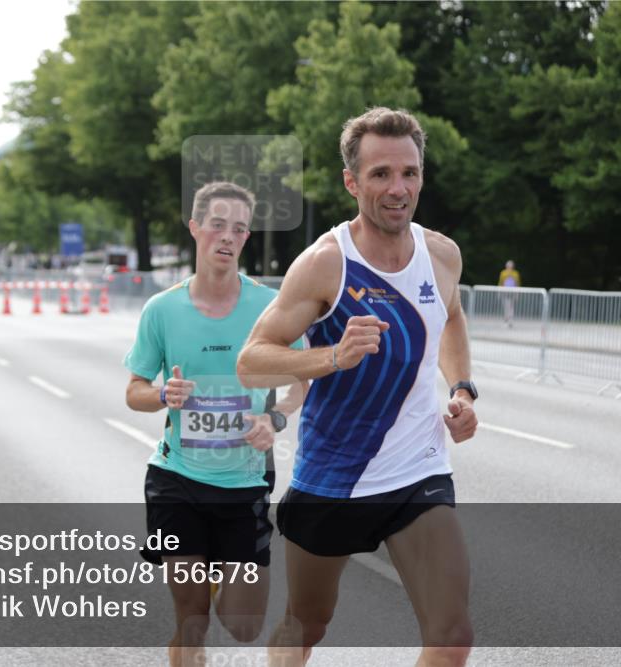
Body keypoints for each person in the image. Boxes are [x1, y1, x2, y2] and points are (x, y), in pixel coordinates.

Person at [236, 107, 478, 667]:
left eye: (410, 172)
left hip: (419, 473)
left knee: (453, 637)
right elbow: (252, 362)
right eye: (381, 175)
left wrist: (462, 389)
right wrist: (331, 356)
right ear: (352, 181)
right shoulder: (325, 264)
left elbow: (453, 319)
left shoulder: (442, 255)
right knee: (307, 624)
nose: (399, 189)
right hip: (335, 481)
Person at [124, 181, 306, 667]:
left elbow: (301, 382)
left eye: (239, 228)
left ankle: (220, 565)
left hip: (244, 482)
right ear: (195, 228)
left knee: (245, 627)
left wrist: (275, 417)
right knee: (192, 620)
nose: (228, 236)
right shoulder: (161, 310)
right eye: (218, 224)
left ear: (246, 238)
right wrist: (163, 393)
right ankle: (196, 573)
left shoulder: (269, 307)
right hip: (176, 480)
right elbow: (134, 391)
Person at [498, 260, 521, 327]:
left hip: (513, 292)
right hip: (505, 292)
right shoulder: (503, 273)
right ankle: (507, 318)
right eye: (508, 265)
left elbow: (517, 283)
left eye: (510, 265)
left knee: (511, 307)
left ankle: (510, 319)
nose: (509, 266)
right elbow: (501, 282)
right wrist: (499, 291)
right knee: (506, 306)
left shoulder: (515, 273)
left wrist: (517, 292)